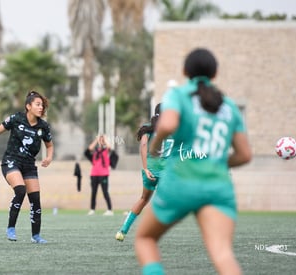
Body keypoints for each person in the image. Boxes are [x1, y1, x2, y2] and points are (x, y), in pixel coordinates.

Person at [135, 48, 252, 275]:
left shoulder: (178, 95)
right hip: (218, 187)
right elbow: (245, 155)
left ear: (184, 71)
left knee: (146, 239)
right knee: (222, 254)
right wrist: (214, 161)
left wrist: (156, 146)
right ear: (215, 74)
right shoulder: (228, 106)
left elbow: (167, 125)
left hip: (181, 181)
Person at [0, 91, 54, 244]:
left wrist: (49, 157)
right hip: (11, 161)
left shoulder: (43, 126)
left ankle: (36, 236)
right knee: (20, 191)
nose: (41, 108)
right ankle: (11, 228)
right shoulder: (16, 119)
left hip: (29, 165)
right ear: (28, 106)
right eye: (38, 104)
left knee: (35, 200)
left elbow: (49, 145)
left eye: (42, 105)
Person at [115, 103, 172, 241]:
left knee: (143, 200)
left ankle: (122, 231)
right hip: (166, 172)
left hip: (150, 170)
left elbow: (144, 145)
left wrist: (146, 169)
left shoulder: (148, 127)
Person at [86, 134, 113, 216]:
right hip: (94, 174)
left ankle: (109, 210)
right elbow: (89, 148)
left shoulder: (105, 150)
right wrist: (96, 140)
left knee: (105, 192)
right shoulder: (95, 151)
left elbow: (109, 147)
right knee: (93, 192)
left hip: (104, 174)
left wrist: (104, 140)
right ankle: (92, 209)